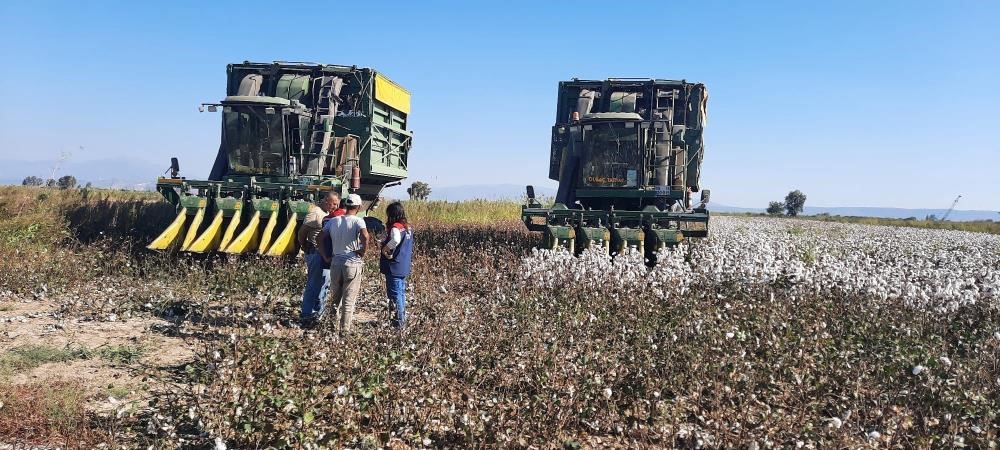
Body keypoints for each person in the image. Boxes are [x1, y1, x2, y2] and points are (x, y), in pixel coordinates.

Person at [318, 194, 369, 333]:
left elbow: (319, 237)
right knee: (348, 300)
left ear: (345, 205)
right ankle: (344, 331)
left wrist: (325, 256)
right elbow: (365, 236)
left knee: (335, 298)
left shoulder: (334, 221)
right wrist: (362, 251)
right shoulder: (359, 221)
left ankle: (330, 327)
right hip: (352, 263)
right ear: (358, 207)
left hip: (335, 263)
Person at [297, 191, 339, 327]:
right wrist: (304, 246)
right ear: (327, 200)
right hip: (315, 253)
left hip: (324, 255)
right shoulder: (316, 213)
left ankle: (318, 314)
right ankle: (306, 314)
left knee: (324, 285)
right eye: (333, 204)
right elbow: (302, 232)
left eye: (337, 205)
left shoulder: (327, 214)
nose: (335, 207)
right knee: (313, 285)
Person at [379, 202, 414, 329]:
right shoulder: (408, 227)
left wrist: (385, 249)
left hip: (394, 266)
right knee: (401, 293)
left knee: (394, 295)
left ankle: (398, 324)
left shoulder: (396, 227)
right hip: (403, 265)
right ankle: (402, 319)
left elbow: (396, 240)